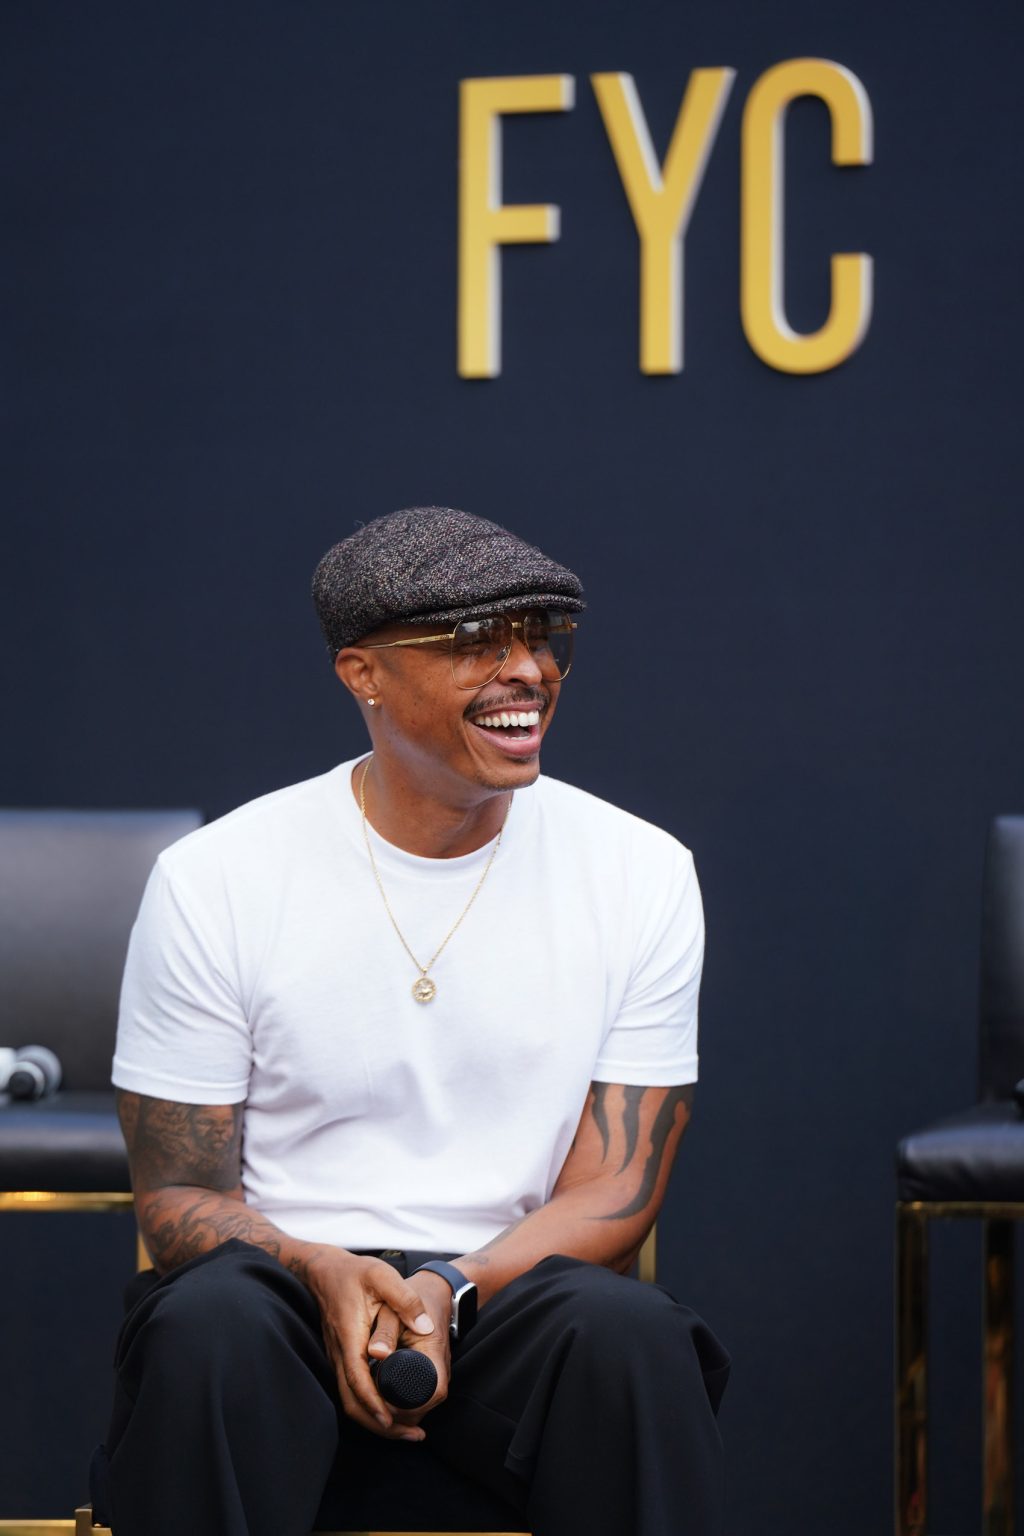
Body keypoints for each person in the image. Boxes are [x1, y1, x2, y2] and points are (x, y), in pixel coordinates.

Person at [97, 505, 729, 1536]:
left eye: (542, 637)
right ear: (364, 674)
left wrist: (449, 1286)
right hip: (282, 1292)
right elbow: (179, 1196)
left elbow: (616, 1185)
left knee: (631, 1338)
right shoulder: (218, 877)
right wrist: (322, 1270)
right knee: (211, 1325)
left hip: (506, 1291)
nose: (528, 670)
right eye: (478, 641)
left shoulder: (640, 871)